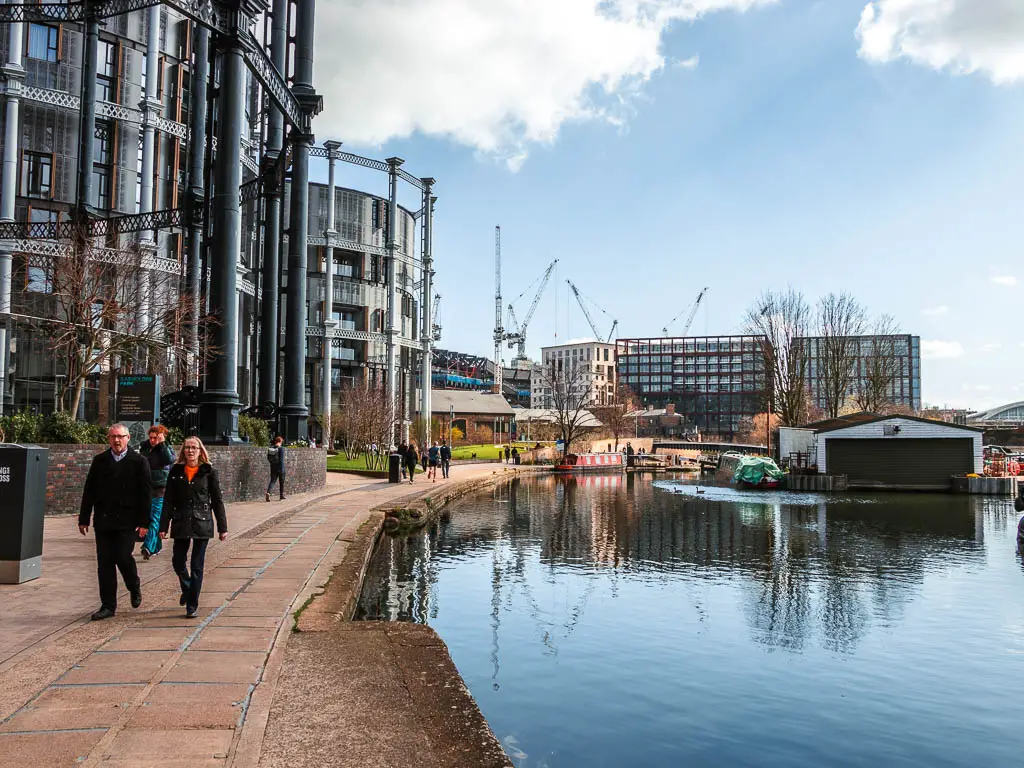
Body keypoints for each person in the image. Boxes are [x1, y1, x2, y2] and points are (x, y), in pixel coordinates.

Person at [78, 424, 151, 620]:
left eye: (120, 437)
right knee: (105, 564)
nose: (116, 440)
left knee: (122, 556)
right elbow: (89, 491)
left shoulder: (139, 462)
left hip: (128, 521)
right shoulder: (99, 461)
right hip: (103, 520)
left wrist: (145, 523)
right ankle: (108, 605)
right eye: (113, 437)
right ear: (108, 439)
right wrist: (84, 518)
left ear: (128, 438)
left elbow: (145, 495)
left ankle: (133, 585)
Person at [159, 437, 228, 618]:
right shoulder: (176, 471)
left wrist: (223, 527)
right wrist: (163, 526)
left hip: (202, 521)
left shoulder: (209, 472)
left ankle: (192, 604)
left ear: (200, 450)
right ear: (183, 451)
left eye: (194, 448)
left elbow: (217, 500)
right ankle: (188, 588)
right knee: (178, 561)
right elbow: (168, 501)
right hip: (181, 520)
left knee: (197, 565)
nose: (190, 451)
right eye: (187, 448)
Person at [139, 425, 176, 561]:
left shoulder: (167, 449)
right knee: (151, 517)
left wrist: (162, 445)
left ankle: (147, 546)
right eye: (151, 438)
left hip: (161, 489)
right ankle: (157, 545)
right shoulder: (145, 448)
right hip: (146, 488)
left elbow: (169, 460)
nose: (153, 440)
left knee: (155, 518)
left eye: (156, 438)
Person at [266, 436, 286, 501]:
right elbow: (281, 460)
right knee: (281, 482)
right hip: (280, 468)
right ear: (280, 441)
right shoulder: (281, 449)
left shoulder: (271, 448)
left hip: (273, 467)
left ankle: (268, 492)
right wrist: (282, 469)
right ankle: (281, 496)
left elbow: (268, 458)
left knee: (272, 481)